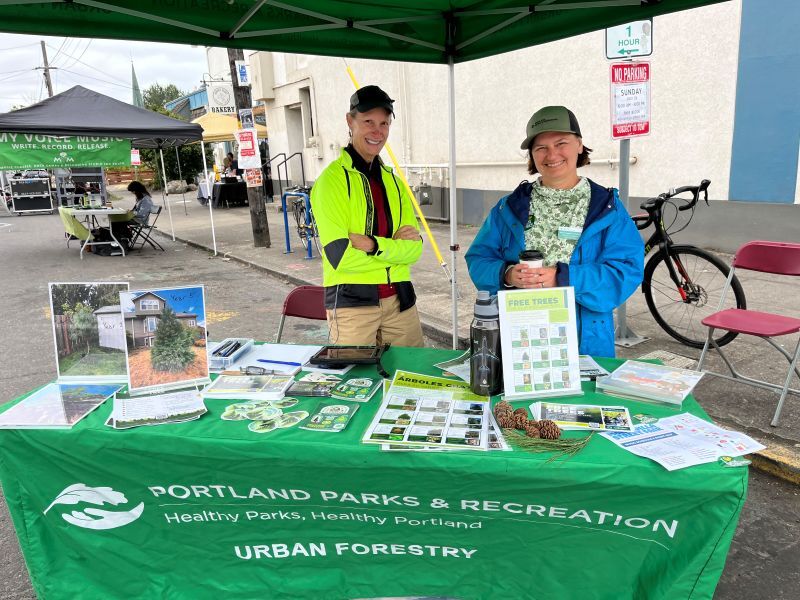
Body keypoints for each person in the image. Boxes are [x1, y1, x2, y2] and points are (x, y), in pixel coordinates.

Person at [465, 106, 643, 357]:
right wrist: (506, 274)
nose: (552, 154)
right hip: (520, 337)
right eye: (541, 148)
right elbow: (478, 258)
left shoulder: (607, 208)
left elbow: (626, 269)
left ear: (579, 145)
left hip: (586, 340)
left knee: (584, 396)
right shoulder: (509, 207)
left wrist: (564, 278)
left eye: (561, 143)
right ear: (532, 155)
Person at [310, 85, 425, 347]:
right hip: (352, 306)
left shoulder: (395, 183)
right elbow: (340, 256)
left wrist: (373, 245)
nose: (377, 131)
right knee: (356, 383)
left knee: (411, 378)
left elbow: (415, 250)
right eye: (368, 121)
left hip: (401, 302)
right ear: (350, 122)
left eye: (384, 123)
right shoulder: (331, 182)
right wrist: (395, 251)